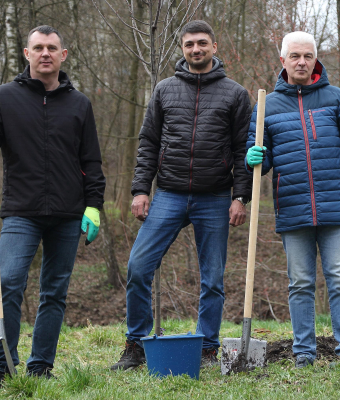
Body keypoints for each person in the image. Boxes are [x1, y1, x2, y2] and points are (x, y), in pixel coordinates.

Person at [0, 25, 105, 394]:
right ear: (27, 54)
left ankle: (41, 366)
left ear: (63, 55)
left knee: (54, 291)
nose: (45, 53)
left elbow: (91, 160)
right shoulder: (5, 98)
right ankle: (2, 369)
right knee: (9, 282)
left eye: (52, 48)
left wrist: (93, 207)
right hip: (21, 211)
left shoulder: (80, 104)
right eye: (38, 47)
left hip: (67, 212)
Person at [110, 20, 252, 370]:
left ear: (214, 47)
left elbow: (243, 150)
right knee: (138, 267)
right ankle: (136, 346)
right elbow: (148, 143)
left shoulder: (236, 94)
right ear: (183, 49)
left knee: (213, 280)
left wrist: (240, 196)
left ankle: (206, 348)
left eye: (202, 43)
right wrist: (141, 189)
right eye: (189, 44)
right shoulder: (164, 90)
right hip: (168, 194)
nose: (196, 50)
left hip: (216, 197)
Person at [246, 31, 340, 368]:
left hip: (336, 206)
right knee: (301, 283)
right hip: (292, 208)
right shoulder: (266, 106)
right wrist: (252, 157)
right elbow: (259, 164)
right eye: (295, 56)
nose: (302, 62)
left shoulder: (336, 98)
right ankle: (303, 351)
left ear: (315, 59)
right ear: (283, 61)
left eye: (307, 56)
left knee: (339, 276)